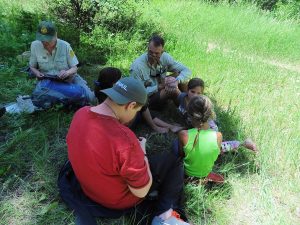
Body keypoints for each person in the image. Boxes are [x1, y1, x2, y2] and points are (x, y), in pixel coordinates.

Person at [58, 77, 191, 225]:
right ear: (131, 105)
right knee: (173, 161)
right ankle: (165, 213)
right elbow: (141, 191)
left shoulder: (81, 113)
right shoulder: (125, 139)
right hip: (118, 201)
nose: (134, 116)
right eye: (137, 111)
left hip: (89, 189)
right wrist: (143, 154)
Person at [172, 95, 257, 183]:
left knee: (175, 143)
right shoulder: (218, 135)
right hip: (205, 172)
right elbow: (216, 154)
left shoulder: (183, 134)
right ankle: (242, 143)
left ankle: (242, 143)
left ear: (190, 115)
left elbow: (182, 153)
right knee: (220, 147)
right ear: (209, 114)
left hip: (187, 173)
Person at [130, 34, 191, 133]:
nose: (153, 55)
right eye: (150, 52)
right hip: (147, 99)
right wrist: (159, 87)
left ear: (162, 51)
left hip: (161, 87)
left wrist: (177, 80)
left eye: (157, 53)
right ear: (147, 48)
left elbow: (186, 70)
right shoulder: (137, 66)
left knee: (182, 79)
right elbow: (137, 93)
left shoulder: (165, 57)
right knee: (172, 90)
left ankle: (193, 109)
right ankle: (191, 116)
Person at [29, 21, 95, 105]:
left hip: (69, 78)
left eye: (47, 40)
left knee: (90, 98)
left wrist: (67, 72)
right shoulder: (35, 45)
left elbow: (75, 68)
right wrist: (37, 73)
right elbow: (32, 66)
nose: (44, 43)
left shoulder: (65, 46)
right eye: (42, 40)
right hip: (48, 81)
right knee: (41, 99)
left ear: (55, 35)